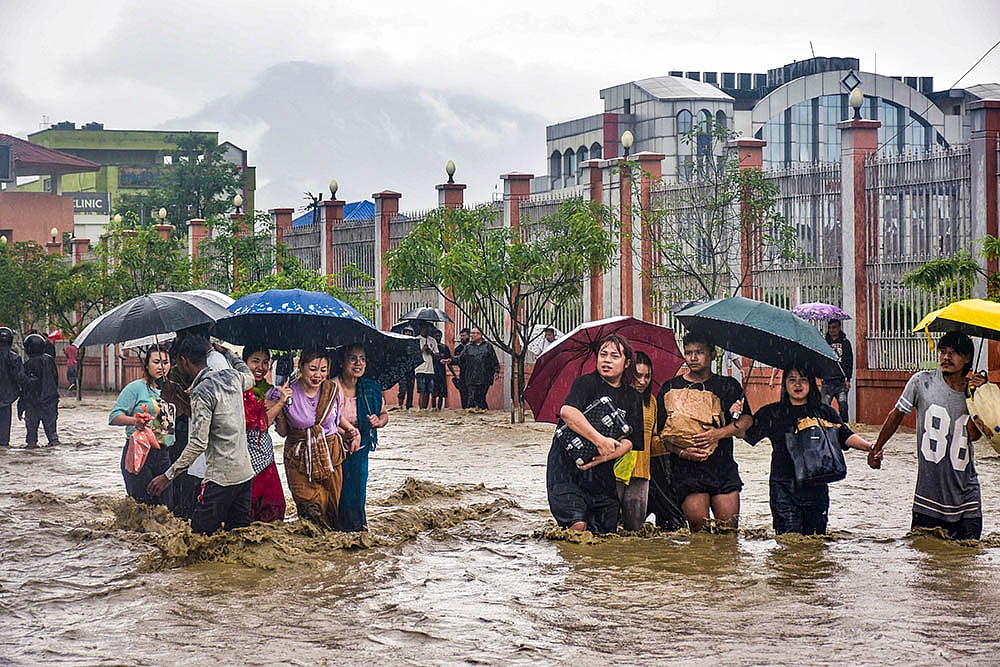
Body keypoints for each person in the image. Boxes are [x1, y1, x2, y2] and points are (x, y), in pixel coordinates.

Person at [869, 331, 985, 540]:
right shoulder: (921, 382)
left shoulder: (974, 391)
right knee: (926, 554)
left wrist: (976, 396)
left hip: (967, 497)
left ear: (967, 358)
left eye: (954, 353)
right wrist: (876, 448)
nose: (946, 357)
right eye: (943, 352)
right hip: (929, 497)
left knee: (968, 555)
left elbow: (974, 435)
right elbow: (896, 415)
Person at [746, 365, 874, 535]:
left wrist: (870, 447)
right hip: (783, 488)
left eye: (803, 380)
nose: (797, 385)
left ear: (811, 384)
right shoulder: (772, 413)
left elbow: (844, 435)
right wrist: (737, 414)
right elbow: (746, 434)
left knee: (815, 541)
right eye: (792, 380)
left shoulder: (824, 412)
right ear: (784, 384)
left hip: (817, 486)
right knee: (789, 540)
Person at [148, 336, 256, 535]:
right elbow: (249, 377)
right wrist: (229, 354)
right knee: (238, 536)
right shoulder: (232, 377)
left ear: (183, 361)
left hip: (220, 478)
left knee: (197, 538)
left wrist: (167, 476)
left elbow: (198, 443)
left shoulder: (201, 391)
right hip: (244, 474)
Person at [546, 335, 645, 534]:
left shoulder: (632, 397)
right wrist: (599, 440)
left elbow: (631, 441)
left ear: (627, 363)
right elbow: (567, 412)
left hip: (602, 475)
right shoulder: (586, 383)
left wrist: (606, 455)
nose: (607, 360)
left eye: (614, 356)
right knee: (577, 524)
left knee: (605, 533)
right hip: (566, 470)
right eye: (603, 354)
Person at [655, 331, 752, 532]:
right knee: (699, 535)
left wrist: (719, 433)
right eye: (688, 352)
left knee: (729, 532)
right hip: (687, 471)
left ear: (712, 354)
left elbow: (746, 421)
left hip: (722, 467)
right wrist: (683, 452)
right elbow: (662, 434)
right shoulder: (671, 388)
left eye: (699, 352)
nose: (693, 358)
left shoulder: (728, 386)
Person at [271, 349, 360, 530]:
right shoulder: (286, 393)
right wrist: (281, 403)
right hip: (299, 456)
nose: (318, 375)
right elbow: (282, 432)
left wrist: (352, 431)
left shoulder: (331, 390)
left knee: (330, 508)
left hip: (330, 455)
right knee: (310, 509)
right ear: (301, 367)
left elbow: (336, 418)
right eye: (312, 369)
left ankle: (327, 546)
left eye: (323, 370)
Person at [109, 345, 175, 504]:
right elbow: (114, 416)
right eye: (156, 362)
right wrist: (135, 421)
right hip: (139, 452)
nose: (161, 367)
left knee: (165, 507)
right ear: (146, 365)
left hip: (164, 454)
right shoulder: (135, 388)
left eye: (165, 363)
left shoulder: (172, 389)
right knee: (142, 506)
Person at [334, 343, 389, 531]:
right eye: (352, 359)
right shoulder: (331, 387)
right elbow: (325, 419)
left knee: (357, 490)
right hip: (334, 444)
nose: (358, 363)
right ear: (341, 362)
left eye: (362, 359)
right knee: (337, 490)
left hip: (361, 447)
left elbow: (384, 415)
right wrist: (347, 433)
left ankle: (357, 529)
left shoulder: (370, 388)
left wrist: (378, 421)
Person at [242, 347, 289, 523]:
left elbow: (282, 432)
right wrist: (279, 403)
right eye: (255, 361)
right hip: (244, 456)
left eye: (265, 362)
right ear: (244, 362)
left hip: (266, 455)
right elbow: (259, 424)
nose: (260, 367)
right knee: (247, 508)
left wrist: (279, 407)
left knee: (274, 507)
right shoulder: (238, 388)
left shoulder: (271, 391)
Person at [615, 351, 658, 530]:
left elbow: (653, 440)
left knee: (635, 530)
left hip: (641, 473)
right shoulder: (616, 399)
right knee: (608, 525)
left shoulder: (652, 402)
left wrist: (677, 443)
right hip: (615, 472)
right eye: (638, 376)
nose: (642, 381)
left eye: (647, 376)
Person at [19, 333, 60, 448]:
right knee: (52, 432)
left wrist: (21, 406)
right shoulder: (50, 360)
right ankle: (53, 444)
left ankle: (32, 445)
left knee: (31, 432)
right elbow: (55, 379)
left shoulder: (28, 364)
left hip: (33, 402)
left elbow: (26, 386)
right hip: (50, 400)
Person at [455, 326, 499, 413]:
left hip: (484, 377)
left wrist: (496, 371)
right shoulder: (468, 347)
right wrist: (451, 360)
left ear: (480, 335)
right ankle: (471, 415)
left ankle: (483, 413)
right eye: (472, 333)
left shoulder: (488, 346)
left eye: (475, 333)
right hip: (471, 377)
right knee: (471, 397)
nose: (472, 335)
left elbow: (494, 360)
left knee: (481, 398)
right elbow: (460, 359)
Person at [821, 319, 853, 422]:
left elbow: (849, 361)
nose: (832, 330)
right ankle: (825, 426)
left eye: (834, 327)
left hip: (840, 380)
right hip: (827, 380)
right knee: (824, 407)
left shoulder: (845, 343)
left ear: (839, 328)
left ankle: (844, 425)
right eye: (830, 328)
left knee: (843, 406)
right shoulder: (824, 342)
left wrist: (848, 379)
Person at [0, 327, 22, 448]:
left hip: (7, 394)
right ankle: (3, 444)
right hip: (7, 396)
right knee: (4, 422)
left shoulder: (13, 357)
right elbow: (19, 377)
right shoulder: (14, 357)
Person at [415, 322, 439, 410]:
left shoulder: (433, 340)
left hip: (430, 369)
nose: (426, 330)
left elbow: (437, 355)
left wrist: (430, 352)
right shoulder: (416, 340)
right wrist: (422, 350)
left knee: (429, 391)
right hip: (420, 369)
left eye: (428, 329)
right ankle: (421, 409)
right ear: (421, 329)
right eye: (425, 328)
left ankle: (425, 409)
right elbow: (414, 354)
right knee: (422, 391)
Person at [450, 327, 471, 409]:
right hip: (463, 374)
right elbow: (457, 361)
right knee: (463, 394)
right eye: (461, 336)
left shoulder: (473, 347)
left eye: (464, 335)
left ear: (469, 336)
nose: (462, 338)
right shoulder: (458, 349)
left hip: (473, 374)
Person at [397, 326, 416, 410]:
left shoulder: (414, 344)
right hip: (402, 369)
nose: (408, 333)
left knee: (410, 388)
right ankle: (400, 404)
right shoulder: (400, 343)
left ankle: (409, 405)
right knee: (402, 388)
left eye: (409, 332)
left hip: (411, 368)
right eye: (406, 331)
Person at [432, 329, 450, 410]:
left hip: (442, 373)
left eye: (439, 336)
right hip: (433, 372)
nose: (438, 338)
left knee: (441, 394)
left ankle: (439, 409)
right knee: (433, 393)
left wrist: (453, 373)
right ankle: (433, 408)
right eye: (436, 336)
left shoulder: (445, 347)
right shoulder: (431, 347)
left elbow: (449, 360)